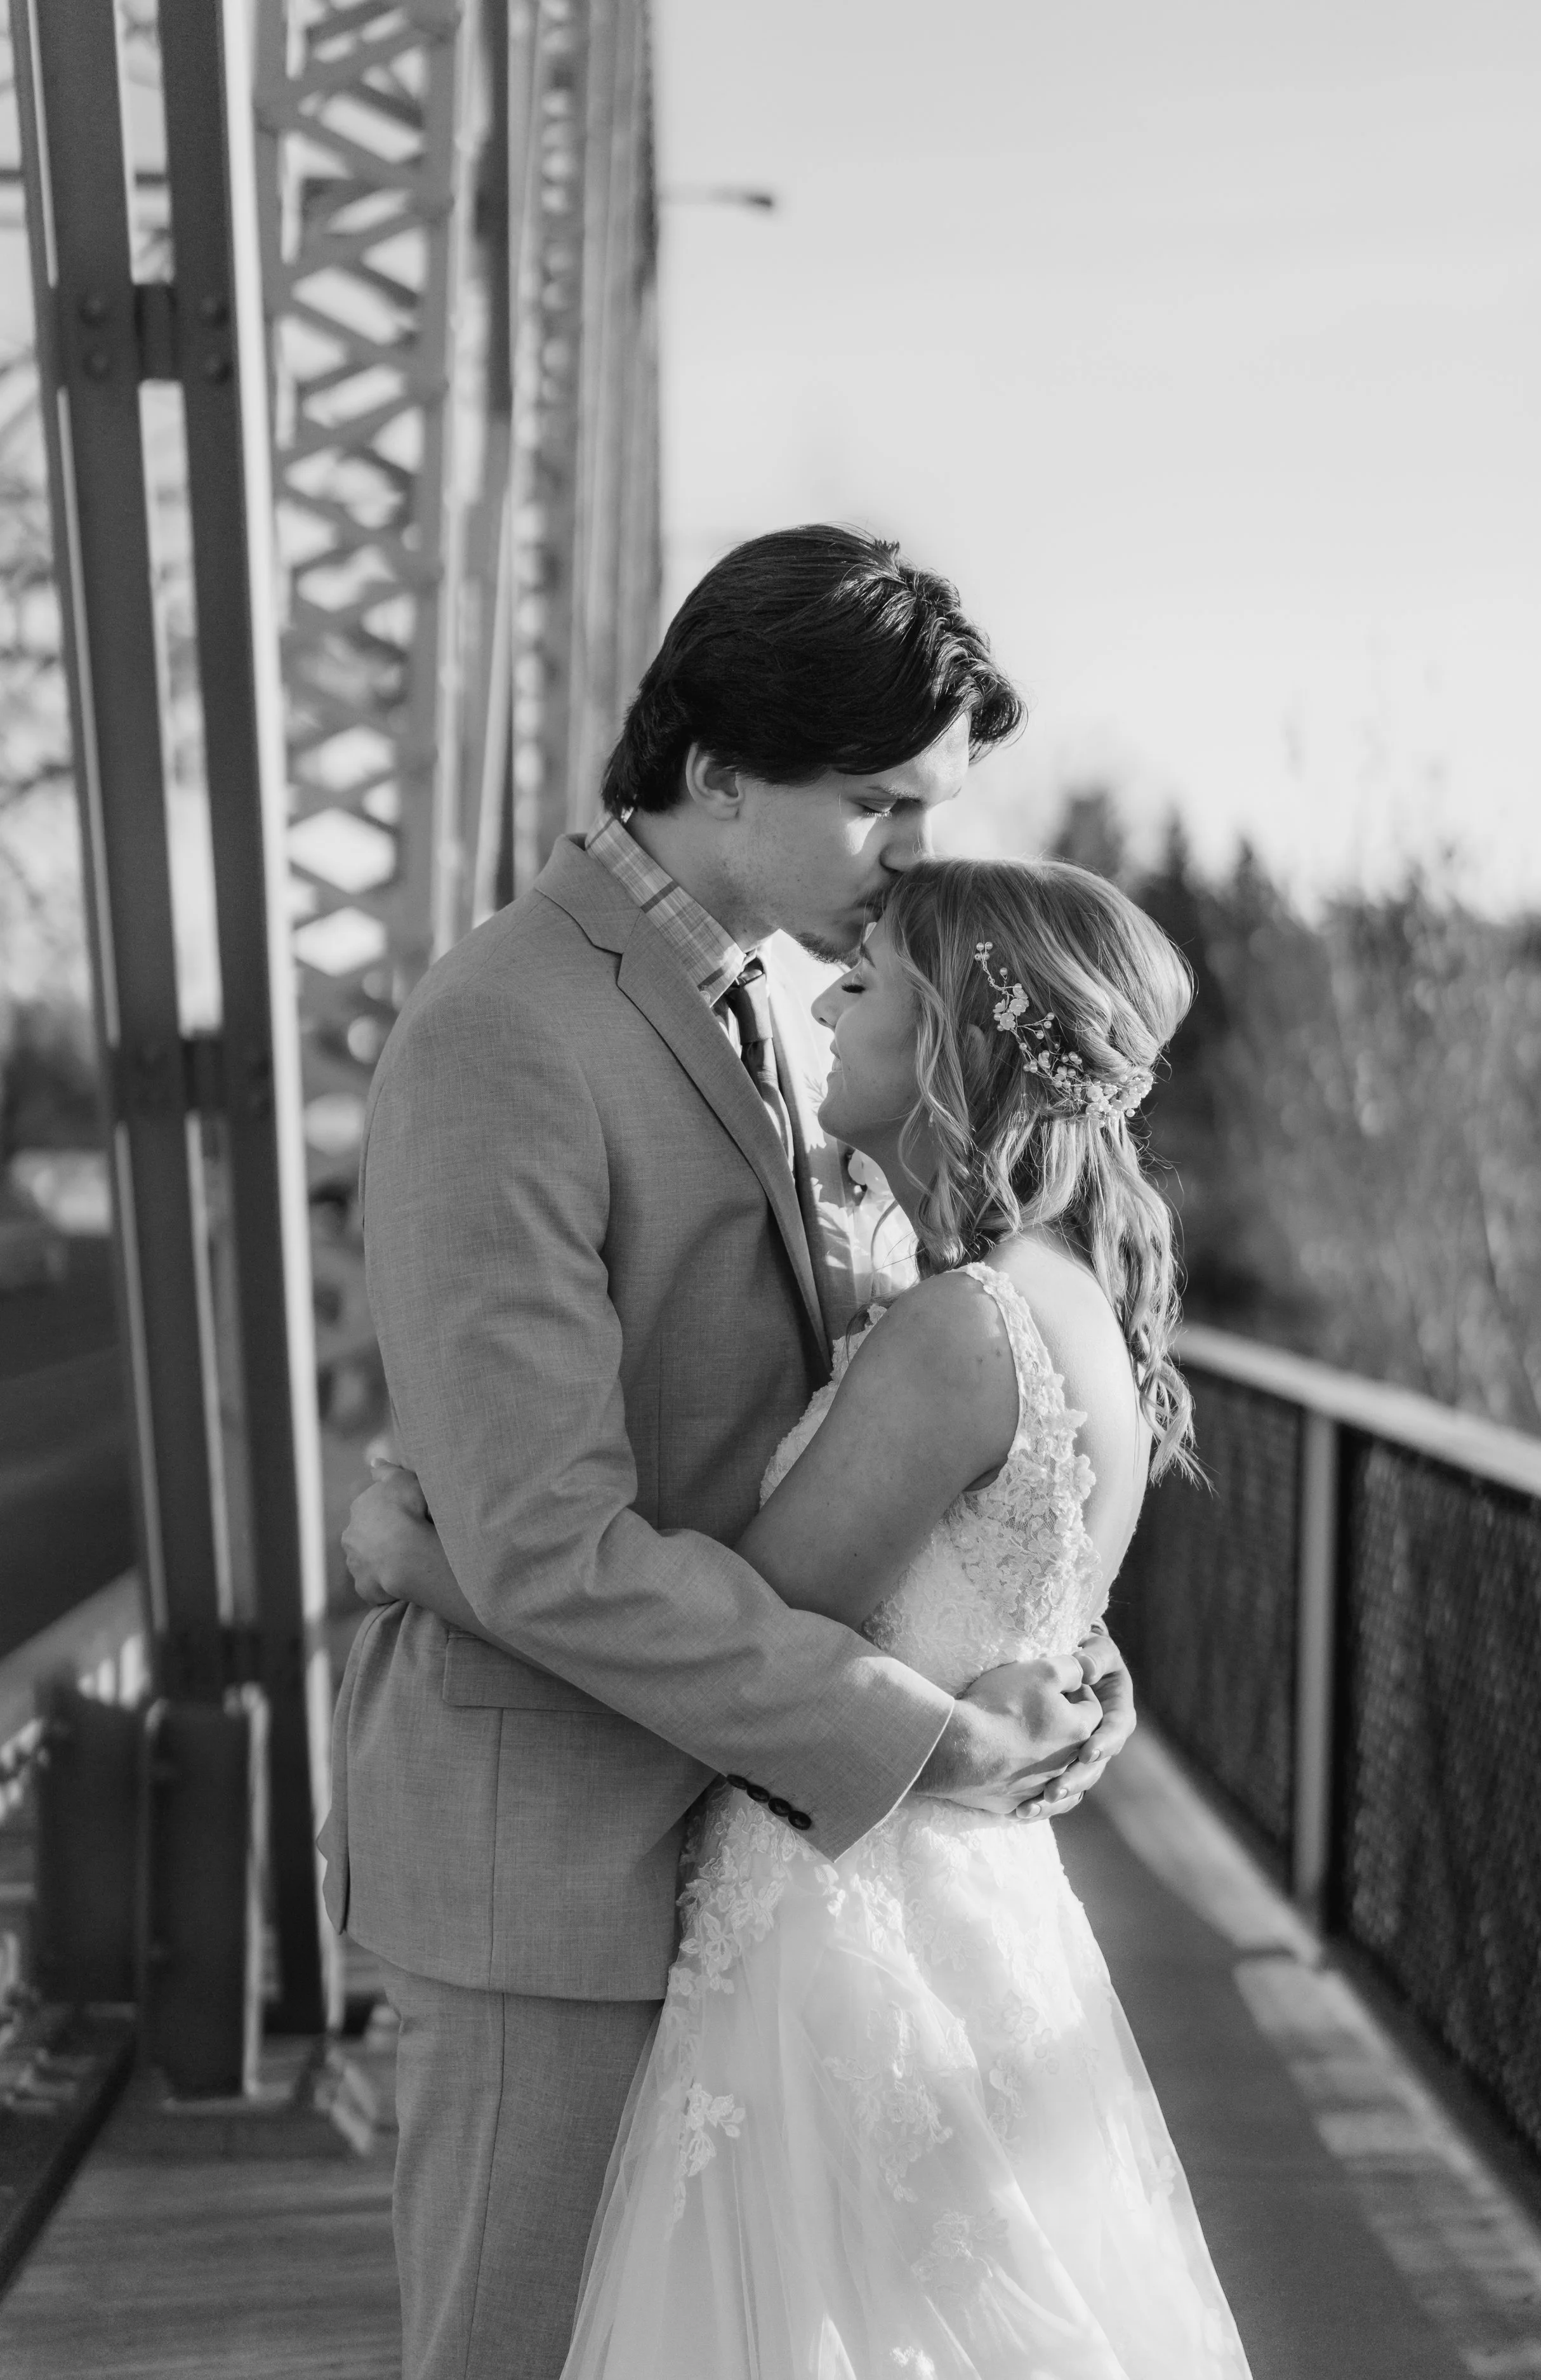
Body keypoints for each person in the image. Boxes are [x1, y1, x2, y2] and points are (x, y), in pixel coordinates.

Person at [327, 527, 1141, 2380]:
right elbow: (546, 1547)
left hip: (740, 1872)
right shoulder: (506, 1030)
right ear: (715, 771)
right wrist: (918, 1734)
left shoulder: (780, 1007)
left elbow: (885, 1428)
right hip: (550, 1868)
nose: (912, 859)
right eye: (877, 805)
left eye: (928, 811)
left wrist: (1037, 1643)